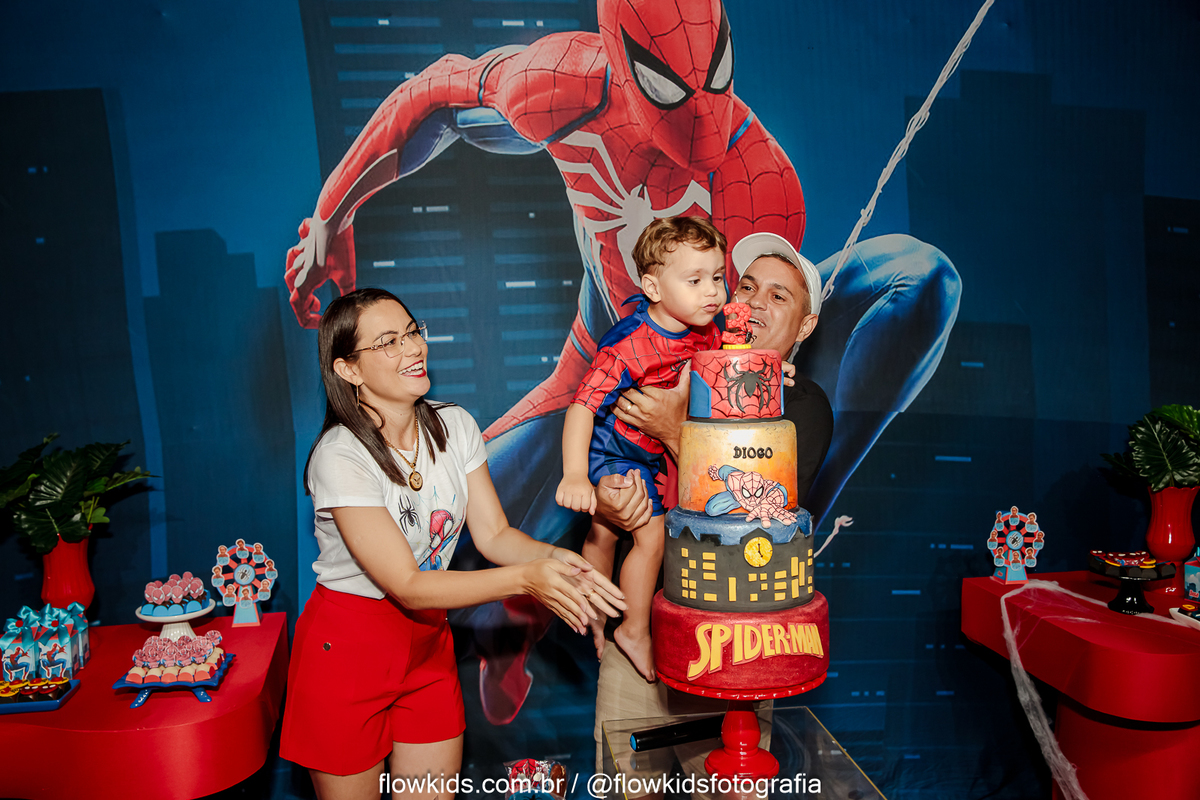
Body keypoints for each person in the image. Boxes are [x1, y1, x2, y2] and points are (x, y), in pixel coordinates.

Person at [284, 0, 958, 722]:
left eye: (715, 75)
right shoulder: (567, 86)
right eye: (668, 85)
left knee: (920, 278)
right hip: (599, 381)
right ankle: (531, 628)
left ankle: (795, 529)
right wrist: (331, 217)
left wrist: (723, 404)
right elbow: (438, 92)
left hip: (711, 452)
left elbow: (746, 371)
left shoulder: (753, 178)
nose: (700, 120)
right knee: (478, 557)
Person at [279, 288, 625, 799]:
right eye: (388, 342)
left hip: (428, 646)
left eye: (412, 332)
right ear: (348, 369)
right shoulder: (340, 455)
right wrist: (528, 579)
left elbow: (495, 535)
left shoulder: (455, 425)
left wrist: (558, 559)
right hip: (349, 652)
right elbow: (407, 583)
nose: (413, 348)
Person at [591, 231, 834, 778]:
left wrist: (674, 427)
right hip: (639, 648)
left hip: (730, 653)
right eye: (746, 287)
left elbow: (754, 510)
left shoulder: (802, 407)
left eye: (779, 296)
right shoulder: (669, 366)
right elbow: (608, 454)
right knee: (626, 786)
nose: (755, 302)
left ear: (805, 326)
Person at [556, 216, 726, 682]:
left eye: (717, 277)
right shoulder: (628, 346)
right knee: (650, 538)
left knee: (606, 532)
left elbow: (728, 363)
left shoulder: (707, 328)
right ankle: (633, 629)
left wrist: (770, 369)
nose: (712, 291)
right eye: (694, 280)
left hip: (653, 451)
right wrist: (575, 474)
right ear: (652, 287)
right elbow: (582, 407)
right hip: (612, 451)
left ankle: (595, 608)